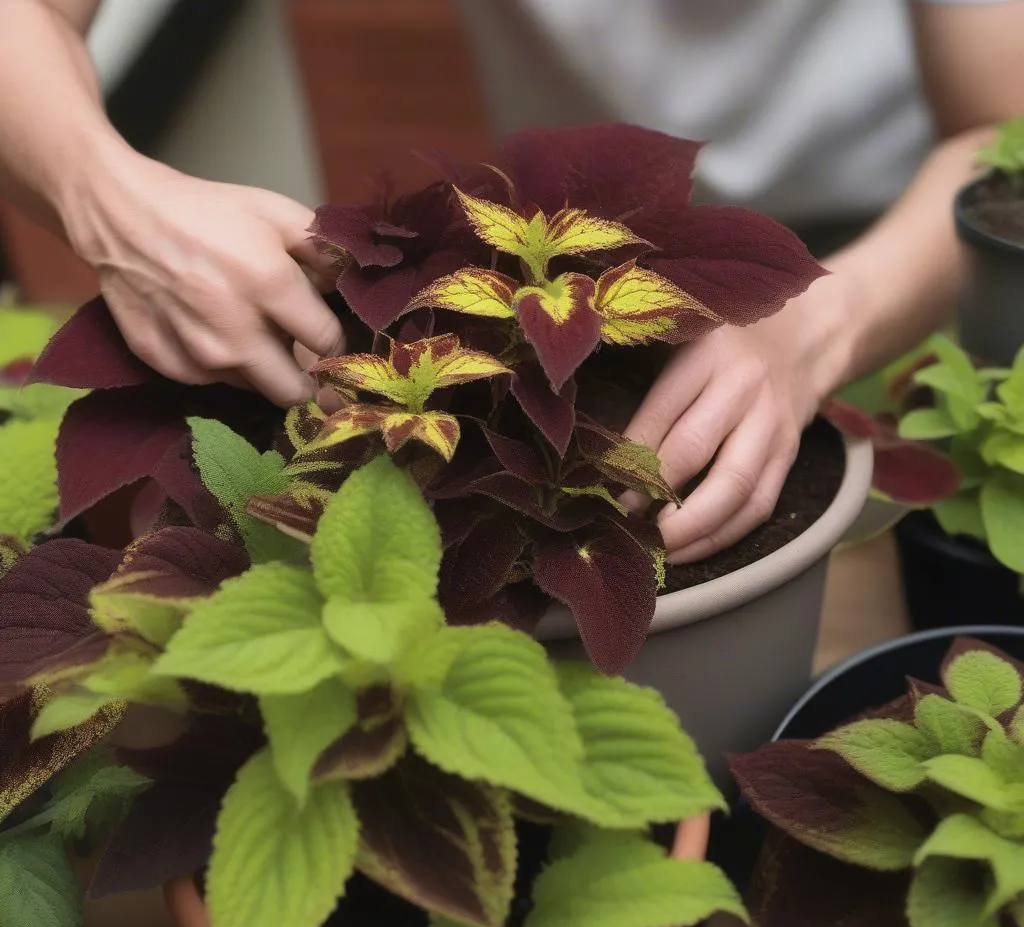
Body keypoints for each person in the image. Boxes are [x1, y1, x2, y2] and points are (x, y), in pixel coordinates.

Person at [1, 0, 1021, 565]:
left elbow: (1001, 131)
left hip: (900, 252)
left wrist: (816, 326)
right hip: (578, 258)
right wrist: (109, 195)